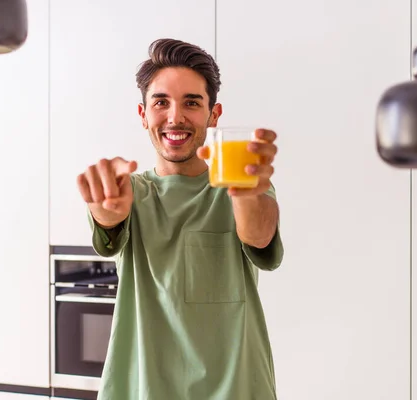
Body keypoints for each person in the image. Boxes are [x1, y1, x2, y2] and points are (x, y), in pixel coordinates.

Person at [76, 38, 284, 400]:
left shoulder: (242, 184)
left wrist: (248, 194)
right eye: (161, 102)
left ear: (213, 115)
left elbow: (260, 235)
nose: (175, 117)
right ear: (143, 115)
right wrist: (104, 211)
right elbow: (108, 223)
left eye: (192, 102)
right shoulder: (129, 191)